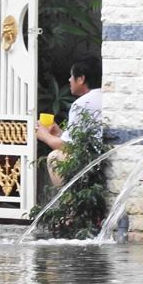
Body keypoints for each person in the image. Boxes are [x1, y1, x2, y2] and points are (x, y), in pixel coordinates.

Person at [36, 55, 103, 186]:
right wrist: (59, 133)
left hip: (92, 165)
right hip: (102, 158)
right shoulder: (104, 97)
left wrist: (44, 136)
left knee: (55, 157)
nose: (69, 80)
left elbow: (70, 147)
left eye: (71, 76)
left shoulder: (82, 103)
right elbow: (80, 141)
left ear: (81, 79)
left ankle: (68, 198)